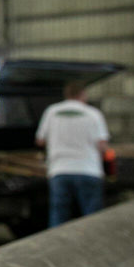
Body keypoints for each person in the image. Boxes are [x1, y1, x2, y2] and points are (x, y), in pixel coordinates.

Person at [35, 80, 110, 227]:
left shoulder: (52, 111)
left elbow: (40, 141)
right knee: (92, 217)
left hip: (59, 170)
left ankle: (56, 246)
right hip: (89, 170)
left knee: (59, 214)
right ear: (82, 94)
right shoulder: (93, 114)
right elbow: (103, 145)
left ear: (66, 94)